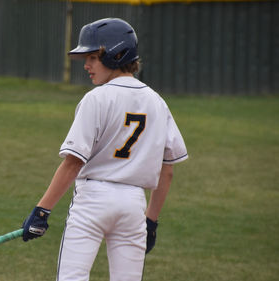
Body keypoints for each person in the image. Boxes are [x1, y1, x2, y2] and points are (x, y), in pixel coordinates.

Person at [21, 18, 188, 281]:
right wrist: (151, 222)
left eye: (92, 57)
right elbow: (167, 171)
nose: (86, 65)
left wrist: (42, 210)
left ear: (116, 54)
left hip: (93, 201)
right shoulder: (158, 102)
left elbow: (73, 163)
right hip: (134, 205)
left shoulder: (97, 98)